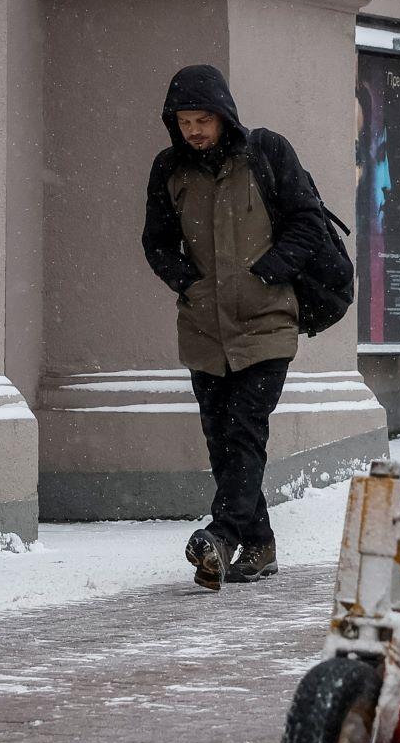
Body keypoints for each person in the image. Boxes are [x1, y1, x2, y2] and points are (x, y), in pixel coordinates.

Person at [141, 64, 330, 591]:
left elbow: (308, 223)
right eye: (184, 121)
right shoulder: (169, 170)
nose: (194, 130)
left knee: (245, 432)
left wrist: (266, 274)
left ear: (225, 115)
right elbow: (156, 243)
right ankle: (261, 543)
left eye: (203, 119)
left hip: (267, 324)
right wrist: (190, 283)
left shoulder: (267, 155)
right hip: (204, 329)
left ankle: (221, 538)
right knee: (222, 443)